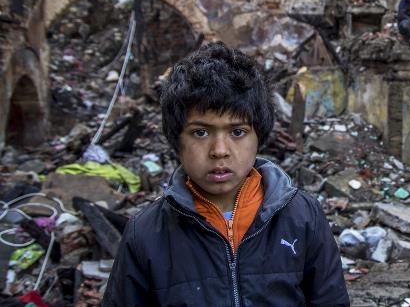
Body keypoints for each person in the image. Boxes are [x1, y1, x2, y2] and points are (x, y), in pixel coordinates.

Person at [102, 42, 349, 306]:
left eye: (237, 132)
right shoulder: (146, 234)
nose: (220, 151)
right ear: (177, 140)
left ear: (259, 137)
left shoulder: (302, 216)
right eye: (200, 132)